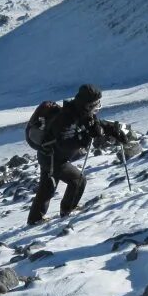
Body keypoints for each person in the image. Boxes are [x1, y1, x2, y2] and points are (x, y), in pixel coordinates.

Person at [26, 83, 129, 225]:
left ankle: (37, 219)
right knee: (76, 181)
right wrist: (86, 137)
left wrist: (113, 130)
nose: (97, 106)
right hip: (52, 159)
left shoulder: (81, 112)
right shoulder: (66, 118)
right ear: (87, 104)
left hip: (51, 157)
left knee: (49, 187)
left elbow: (96, 124)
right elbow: (65, 143)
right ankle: (66, 211)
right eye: (95, 103)